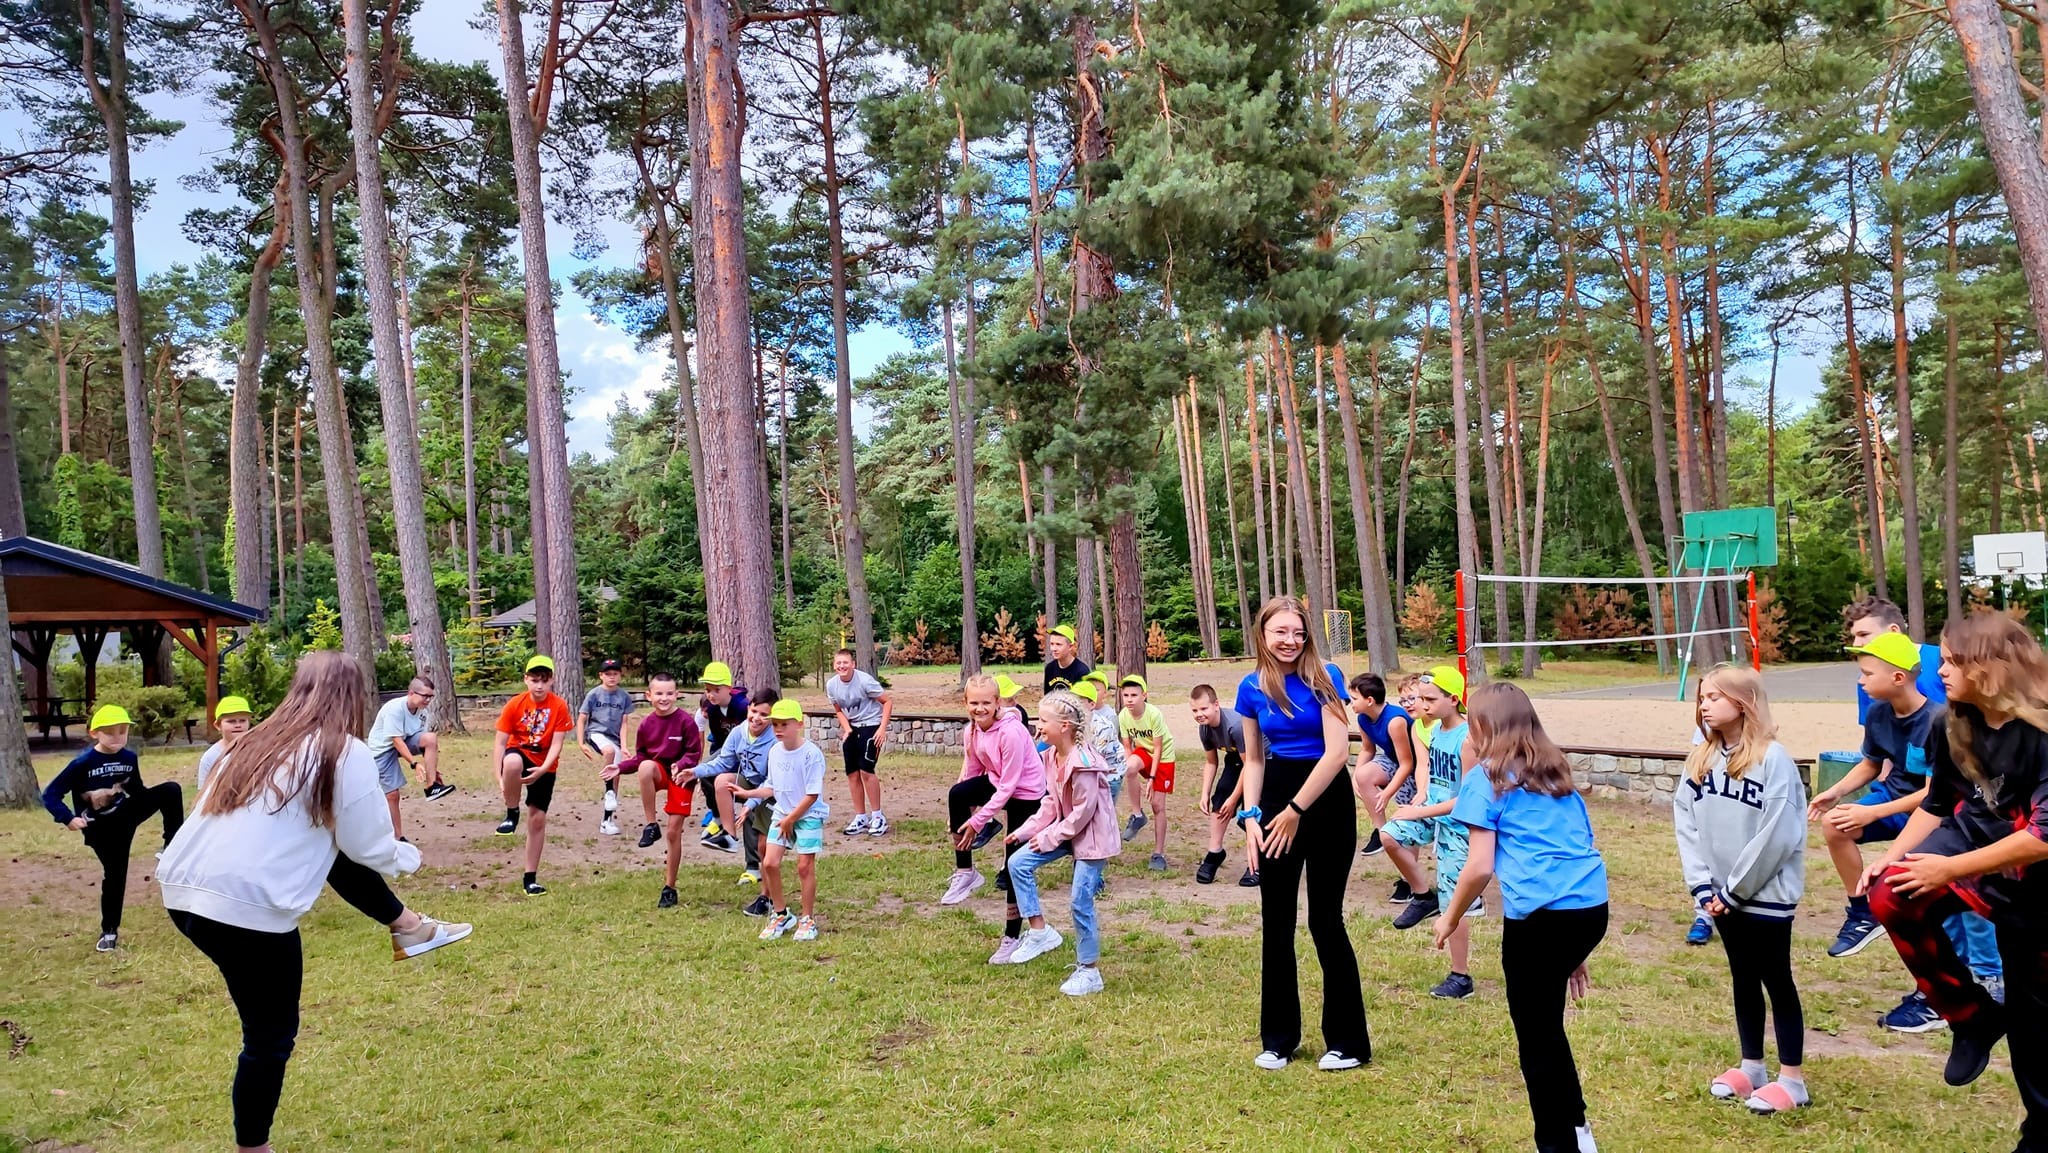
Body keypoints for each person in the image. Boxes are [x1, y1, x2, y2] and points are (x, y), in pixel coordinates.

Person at [157, 651, 471, 1153]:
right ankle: (253, 1148)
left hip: (181, 892)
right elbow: (370, 846)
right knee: (269, 1039)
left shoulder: (252, 741)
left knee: (330, 844)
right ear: (355, 697)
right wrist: (408, 857)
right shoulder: (341, 751)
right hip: (246, 911)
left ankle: (408, 926)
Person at [1864, 613, 2048, 1147]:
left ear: (1992, 666)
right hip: (1971, 845)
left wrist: (1946, 868)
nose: (1938, 669)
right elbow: (1940, 804)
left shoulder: (2041, 732)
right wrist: (1894, 856)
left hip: (2034, 888)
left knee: (2035, 1019)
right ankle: (1970, 1017)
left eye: (1951, 660)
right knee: (1891, 892)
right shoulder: (1952, 722)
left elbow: (2042, 837)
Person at [1435, 683, 1609, 1153]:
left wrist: (1449, 917)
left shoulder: (1485, 779)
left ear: (1481, 726)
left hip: (1542, 922)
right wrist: (1574, 952)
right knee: (1548, 1027)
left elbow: (1478, 866)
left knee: (1536, 1038)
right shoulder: (1555, 773)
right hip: (1589, 912)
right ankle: (1577, 1130)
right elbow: (1579, 844)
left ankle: (1556, 1144)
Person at [1813, 633, 2003, 1034]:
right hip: (1909, 811)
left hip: (1931, 817)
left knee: (1941, 893)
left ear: (1898, 677)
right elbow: (1873, 765)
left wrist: (1878, 816)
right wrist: (1834, 794)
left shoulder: (1939, 720)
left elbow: (1934, 797)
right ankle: (1862, 913)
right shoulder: (1881, 714)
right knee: (1840, 828)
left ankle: (1979, 983)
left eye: (1867, 673)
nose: (1861, 681)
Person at [1235, 597, 1367, 1071]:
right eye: (1280, 632)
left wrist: (1294, 810)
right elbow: (1253, 758)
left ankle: (1348, 1043)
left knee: (1325, 921)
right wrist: (1253, 817)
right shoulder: (1250, 688)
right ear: (1263, 635)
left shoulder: (1325, 676)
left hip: (1325, 800)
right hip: (1274, 796)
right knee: (1277, 922)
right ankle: (1279, 1040)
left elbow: (1336, 753)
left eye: (1297, 632)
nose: (1289, 641)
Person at [1674, 663, 1809, 1115]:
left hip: (1763, 897)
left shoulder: (1774, 760)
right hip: (1719, 896)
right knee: (1743, 979)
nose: (1704, 704)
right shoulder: (1701, 758)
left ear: (1744, 702)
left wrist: (1734, 890)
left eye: (1714, 696)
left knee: (1776, 980)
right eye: (1702, 697)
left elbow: (1777, 835)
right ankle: (1752, 1067)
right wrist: (1702, 885)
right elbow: (1686, 822)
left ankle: (1792, 1080)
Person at [42, 704, 184, 953]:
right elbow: (51, 794)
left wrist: (146, 801)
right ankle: (109, 932)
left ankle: (172, 845)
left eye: (122, 731)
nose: (118, 737)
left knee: (171, 789)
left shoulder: (129, 758)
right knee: (115, 876)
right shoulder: (82, 762)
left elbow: (137, 790)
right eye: (110, 732)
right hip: (101, 828)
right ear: (95, 733)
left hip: (126, 814)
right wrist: (67, 818)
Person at [1004, 690, 1120, 994]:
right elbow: (1051, 804)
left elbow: (1083, 814)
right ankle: (1040, 932)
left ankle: (1089, 971)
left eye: (1044, 720)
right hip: (1067, 831)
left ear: (1065, 726)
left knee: (1080, 901)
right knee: (1017, 862)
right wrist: (1029, 830)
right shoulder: (1051, 756)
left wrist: (1049, 836)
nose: (1038, 726)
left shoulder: (1084, 763)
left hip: (1093, 839)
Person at [1384, 666, 1482, 998]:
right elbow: (1428, 773)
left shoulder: (1468, 739)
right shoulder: (1436, 730)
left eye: (1430, 699)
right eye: (1421, 699)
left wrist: (1421, 809)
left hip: (1457, 824)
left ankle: (1460, 976)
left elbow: (1466, 801)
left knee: (1455, 901)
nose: (1422, 705)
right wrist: (1422, 795)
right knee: (1389, 834)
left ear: (1453, 700)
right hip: (1432, 811)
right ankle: (1422, 896)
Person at [942, 674, 1048, 966]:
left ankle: (1012, 937)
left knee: (1013, 865)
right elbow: (973, 772)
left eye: (986, 702)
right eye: (974, 703)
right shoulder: (972, 731)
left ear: (997, 702)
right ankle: (966, 872)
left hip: (1026, 794)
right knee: (957, 793)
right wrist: (965, 812)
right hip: (998, 781)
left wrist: (979, 820)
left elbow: (1010, 787)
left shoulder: (1011, 733)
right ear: (965, 703)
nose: (980, 708)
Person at [737, 698, 827, 942]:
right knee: (769, 864)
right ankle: (781, 914)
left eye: (783, 724)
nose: (778, 729)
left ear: (798, 724)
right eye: (775, 724)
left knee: (804, 866)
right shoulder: (775, 752)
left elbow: (812, 795)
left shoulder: (811, 754)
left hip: (807, 816)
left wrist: (790, 820)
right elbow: (772, 787)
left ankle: (807, 919)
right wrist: (748, 796)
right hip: (782, 814)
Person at [494, 655, 574, 895]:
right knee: (511, 763)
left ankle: (530, 877)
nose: (539, 685)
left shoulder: (559, 705)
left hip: (545, 763)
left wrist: (543, 769)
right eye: (534, 680)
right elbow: (500, 744)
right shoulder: (514, 705)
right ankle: (511, 812)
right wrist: (499, 777)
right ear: (525, 680)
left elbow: (557, 744)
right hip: (520, 752)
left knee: (537, 820)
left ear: (551, 681)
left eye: (544, 680)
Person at [629, 673, 706, 909]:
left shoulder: (685, 722)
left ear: (677, 695)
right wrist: (619, 768)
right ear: (649, 696)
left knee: (674, 832)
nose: (664, 698)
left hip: (682, 777)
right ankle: (651, 825)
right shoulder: (646, 724)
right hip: (659, 772)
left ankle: (669, 887)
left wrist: (681, 765)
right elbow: (640, 756)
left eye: (669, 693)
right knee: (645, 767)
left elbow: (694, 753)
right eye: (659, 693)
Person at [699, 690, 781, 904]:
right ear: (748, 708)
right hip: (750, 785)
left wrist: (751, 802)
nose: (757, 717)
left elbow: (771, 782)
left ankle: (768, 897)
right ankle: (729, 836)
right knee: (722, 781)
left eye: (764, 714)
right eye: (754, 711)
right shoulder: (739, 732)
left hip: (773, 792)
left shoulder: (775, 740)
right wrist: (694, 771)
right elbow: (722, 763)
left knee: (765, 847)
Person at [1350, 672, 1418, 869]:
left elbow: (1407, 763)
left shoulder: (1395, 721)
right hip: (1392, 760)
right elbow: (1367, 749)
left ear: (1369, 700)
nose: (1351, 703)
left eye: (1354, 699)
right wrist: (1357, 776)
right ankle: (1381, 831)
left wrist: (1387, 793)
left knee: (1407, 821)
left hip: (1414, 767)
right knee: (1364, 775)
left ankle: (1409, 879)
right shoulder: (1363, 718)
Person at [366, 676, 444, 841]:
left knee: (430, 738)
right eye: (425, 696)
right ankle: (397, 837)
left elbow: (421, 741)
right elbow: (396, 740)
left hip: (404, 740)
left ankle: (432, 787)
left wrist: (432, 770)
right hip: (382, 749)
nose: (428, 700)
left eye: (430, 696)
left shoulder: (422, 710)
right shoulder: (395, 709)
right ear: (411, 693)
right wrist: (414, 764)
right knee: (392, 794)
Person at [827, 649, 892, 837]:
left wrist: (882, 728)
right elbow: (838, 709)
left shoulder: (864, 681)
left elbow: (887, 702)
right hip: (852, 728)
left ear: (853, 664)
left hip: (871, 725)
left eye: (845, 663)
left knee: (866, 770)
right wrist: (846, 728)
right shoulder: (832, 685)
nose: (842, 666)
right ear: (834, 665)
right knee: (852, 773)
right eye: (838, 663)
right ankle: (861, 816)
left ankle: (878, 816)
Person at [689, 661, 751, 847]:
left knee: (724, 779)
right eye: (708, 690)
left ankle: (733, 820)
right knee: (706, 773)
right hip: (724, 751)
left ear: (729, 688)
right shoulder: (712, 709)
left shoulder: (743, 706)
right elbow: (717, 738)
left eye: (716, 689)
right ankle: (717, 816)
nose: (711, 694)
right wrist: (712, 759)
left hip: (744, 754)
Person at [1117, 674, 1175, 871]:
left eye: (1134, 694)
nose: (1129, 699)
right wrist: (1130, 771)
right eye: (1125, 695)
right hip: (1143, 751)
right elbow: (1127, 747)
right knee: (1129, 767)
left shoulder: (1153, 714)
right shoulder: (1123, 715)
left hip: (1163, 756)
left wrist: (1151, 777)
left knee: (1158, 805)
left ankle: (1158, 854)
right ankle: (1137, 814)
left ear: (1144, 696)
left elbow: (1158, 748)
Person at [1193, 684, 1246, 884]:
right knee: (1220, 800)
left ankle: (1257, 865)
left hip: (1264, 761)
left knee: (1250, 810)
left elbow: (1251, 765)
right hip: (1236, 758)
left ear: (1216, 705)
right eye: (1195, 710)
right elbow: (1211, 762)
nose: (1199, 714)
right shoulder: (1204, 729)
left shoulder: (1236, 726)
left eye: (1203, 708)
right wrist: (1205, 794)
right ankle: (1215, 852)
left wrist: (1235, 799)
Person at [578, 659, 636, 836]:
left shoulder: (624, 697)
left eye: (615, 674)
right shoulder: (594, 694)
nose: (611, 677)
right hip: (596, 733)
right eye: (608, 674)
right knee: (609, 752)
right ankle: (609, 790)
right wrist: (581, 743)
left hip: (614, 739)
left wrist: (624, 746)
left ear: (620, 675)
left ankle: (607, 820)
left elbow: (624, 723)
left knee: (615, 772)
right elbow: (582, 718)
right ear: (601, 676)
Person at [197, 696, 256, 791]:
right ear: (218, 725)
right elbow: (203, 795)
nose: (238, 725)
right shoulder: (210, 757)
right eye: (231, 721)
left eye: (243, 720)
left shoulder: (257, 751)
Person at [1043, 624, 1091, 693]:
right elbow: (1047, 698)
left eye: (1058, 644)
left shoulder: (1082, 671)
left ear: (1070, 646)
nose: (1054, 649)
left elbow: (1084, 701)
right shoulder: (1050, 668)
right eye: (1052, 644)